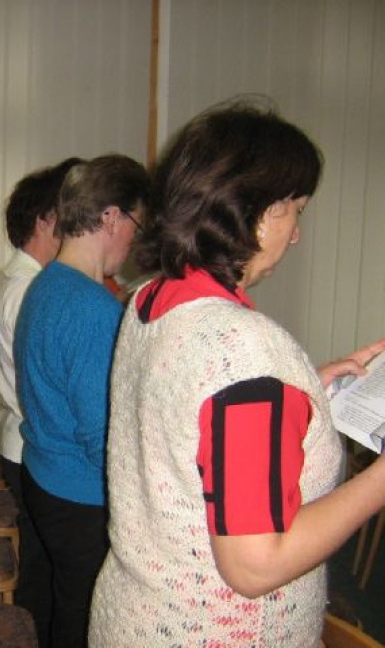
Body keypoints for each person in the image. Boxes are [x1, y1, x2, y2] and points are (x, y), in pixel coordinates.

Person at [88, 101, 385, 646]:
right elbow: (255, 566)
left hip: (136, 615)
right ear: (254, 213)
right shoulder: (245, 357)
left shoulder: (151, 299)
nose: (296, 234)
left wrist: (305, 388)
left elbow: (191, 413)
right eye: (295, 210)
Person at [13, 154, 150, 648]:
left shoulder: (46, 283)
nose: (134, 240)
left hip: (46, 475)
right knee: (86, 619)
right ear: (111, 217)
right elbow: (103, 440)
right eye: (136, 224)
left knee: (67, 605)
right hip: (80, 494)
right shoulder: (91, 309)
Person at [0, 156, 83, 648]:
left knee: (41, 568)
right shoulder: (31, 289)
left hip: (25, 442)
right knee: (45, 575)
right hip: (32, 446)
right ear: (46, 221)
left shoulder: (27, 282)